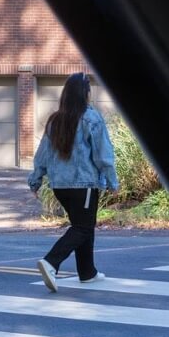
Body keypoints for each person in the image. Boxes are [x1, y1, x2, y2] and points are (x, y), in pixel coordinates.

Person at [28, 73, 119, 293]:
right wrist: (112, 182)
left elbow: (42, 155)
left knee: (83, 225)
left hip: (60, 187)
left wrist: (35, 180)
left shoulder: (55, 120)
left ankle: (87, 272)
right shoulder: (90, 118)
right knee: (83, 227)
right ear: (84, 93)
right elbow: (103, 155)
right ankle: (51, 262)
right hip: (83, 185)